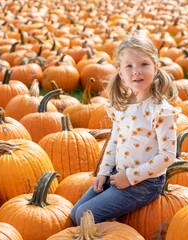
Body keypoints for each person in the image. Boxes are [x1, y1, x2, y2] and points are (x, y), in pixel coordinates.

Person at [70, 31, 180, 226]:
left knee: (84, 216)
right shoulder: (122, 105)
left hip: (145, 183)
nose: (136, 71)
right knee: (75, 213)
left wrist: (129, 177)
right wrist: (104, 172)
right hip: (116, 172)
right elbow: (115, 140)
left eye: (143, 64)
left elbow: (167, 156)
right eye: (129, 66)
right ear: (121, 73)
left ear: (155, 68)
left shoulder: (161, 111)